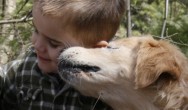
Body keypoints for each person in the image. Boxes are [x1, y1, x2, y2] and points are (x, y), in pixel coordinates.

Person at [0, 0, 126, 109]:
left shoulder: (104, 93)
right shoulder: (27, 68)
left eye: (53, 43)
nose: (37, 45)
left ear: (95, 50)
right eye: (36, 31)